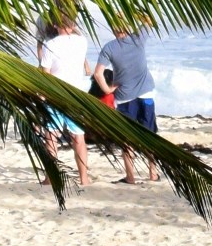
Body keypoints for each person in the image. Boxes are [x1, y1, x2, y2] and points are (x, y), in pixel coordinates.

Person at [32, 15, 92, 189]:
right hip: (76, 95)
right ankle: (84, 178)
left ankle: (51, 177)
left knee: (51, 137)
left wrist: (41, 96)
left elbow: (46, 75)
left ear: (55, 24)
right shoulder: (82, 42)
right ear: (73, 24)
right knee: (78, 138)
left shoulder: (50, 45)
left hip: (56, 95)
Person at [97, 20, 161, 184]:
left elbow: (98, 74)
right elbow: (147, 19)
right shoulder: (137, 38)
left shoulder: (109, 47)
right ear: (128, 26)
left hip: (124, 97)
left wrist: (107, 90)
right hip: (146, 93)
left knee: (127, 138)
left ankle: (130, 177)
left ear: (113, 29)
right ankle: (152, 173)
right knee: (148, 134)